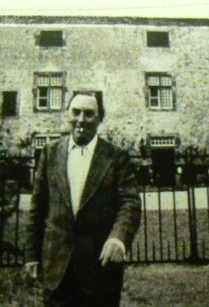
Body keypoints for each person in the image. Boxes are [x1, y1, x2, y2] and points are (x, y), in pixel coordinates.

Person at [25, 91, 142, 306]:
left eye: (89, 114)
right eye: (76, 112)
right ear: (67, 115)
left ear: (100, 118)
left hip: (99, 269)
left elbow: (130, 203)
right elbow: (37, 207)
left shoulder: (116, 157)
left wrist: (118, 239)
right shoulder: (50, 153)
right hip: (57, 267)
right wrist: (32, 255)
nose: (81, 119)